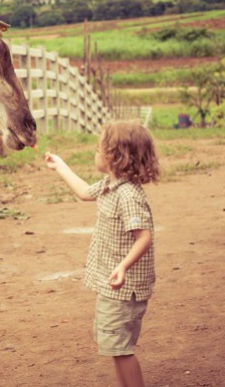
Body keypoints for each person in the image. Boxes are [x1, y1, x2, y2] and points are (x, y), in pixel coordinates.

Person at [44, 121, 160, 387]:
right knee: (115, 347)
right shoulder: (111, 185)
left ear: (115, 156)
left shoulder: (127, 194)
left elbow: (143, 237)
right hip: (114, 287)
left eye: (99, 148)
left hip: (124, 288)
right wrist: (60, 166)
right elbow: (85, 192)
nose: (95, 152)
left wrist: (123, 267)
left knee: (120, 348)